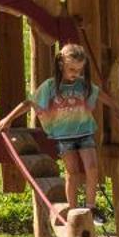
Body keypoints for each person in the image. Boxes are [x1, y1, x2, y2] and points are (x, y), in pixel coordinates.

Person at [29, 42, 102, 220]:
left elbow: (99, 94)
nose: (75, 74)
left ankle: (90, 208)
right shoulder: (50, 86)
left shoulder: (82, 84)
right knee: (73, 172)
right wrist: (7, 120)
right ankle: (74, 210)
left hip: (84, 132)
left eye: (79, 70)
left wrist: (116, 107)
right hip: (64, 136)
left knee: (92, 168)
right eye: (72, 69)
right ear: (61, 64)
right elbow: (30, 102)